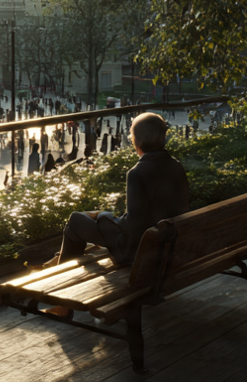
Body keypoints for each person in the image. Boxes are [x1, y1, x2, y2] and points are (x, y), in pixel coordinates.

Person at [35, 112, 190, 317]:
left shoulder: (137, 172)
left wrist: (103, 217)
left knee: (75, 221)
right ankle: (57, 267)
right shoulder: (175, 165)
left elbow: (132, 229)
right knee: (87, 220)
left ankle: (62, 303)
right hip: (164, 249)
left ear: (139, 139)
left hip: (136, 254)